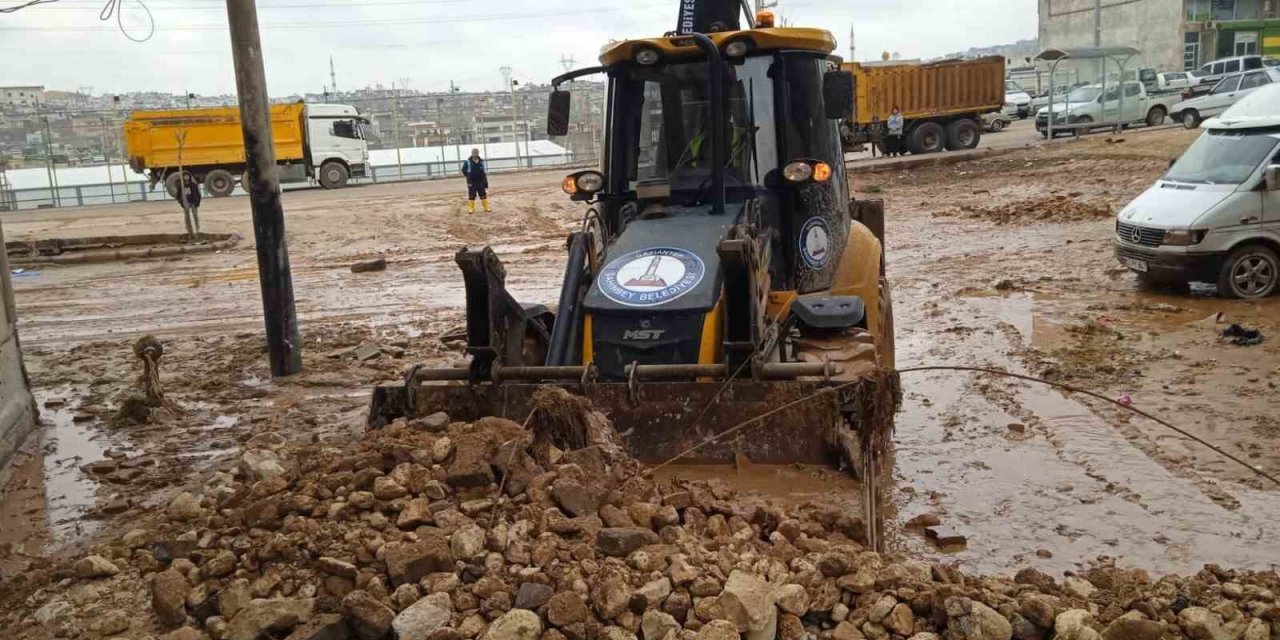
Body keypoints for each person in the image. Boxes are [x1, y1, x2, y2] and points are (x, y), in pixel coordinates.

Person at [460, 148, 490, 213]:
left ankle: (486, 207)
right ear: (472, 154)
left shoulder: (481, 161)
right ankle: (471, 208)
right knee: (471, 195)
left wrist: (485, 182)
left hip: (480, 181)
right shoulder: (467, 162)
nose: (475, 156)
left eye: (476, 154)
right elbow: (463, 170)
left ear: (478, 154)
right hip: (472, 182)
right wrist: (468, 177)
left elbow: (483, 172)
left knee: (483, 194)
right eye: (474, 154)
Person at [175, 173, 202, 237]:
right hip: (185, 203)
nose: (186, 177)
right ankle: (188, 229)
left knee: (195, 215)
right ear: (183, 177)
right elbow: (178, 196)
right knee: (187, 217)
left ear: (189, 177)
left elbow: (198, 194)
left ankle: (197, 228)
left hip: (193, 202)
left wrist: (197, 202)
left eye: (187, 176)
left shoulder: (193, 185)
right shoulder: (181, 186)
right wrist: (181, 202)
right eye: (185, 176)